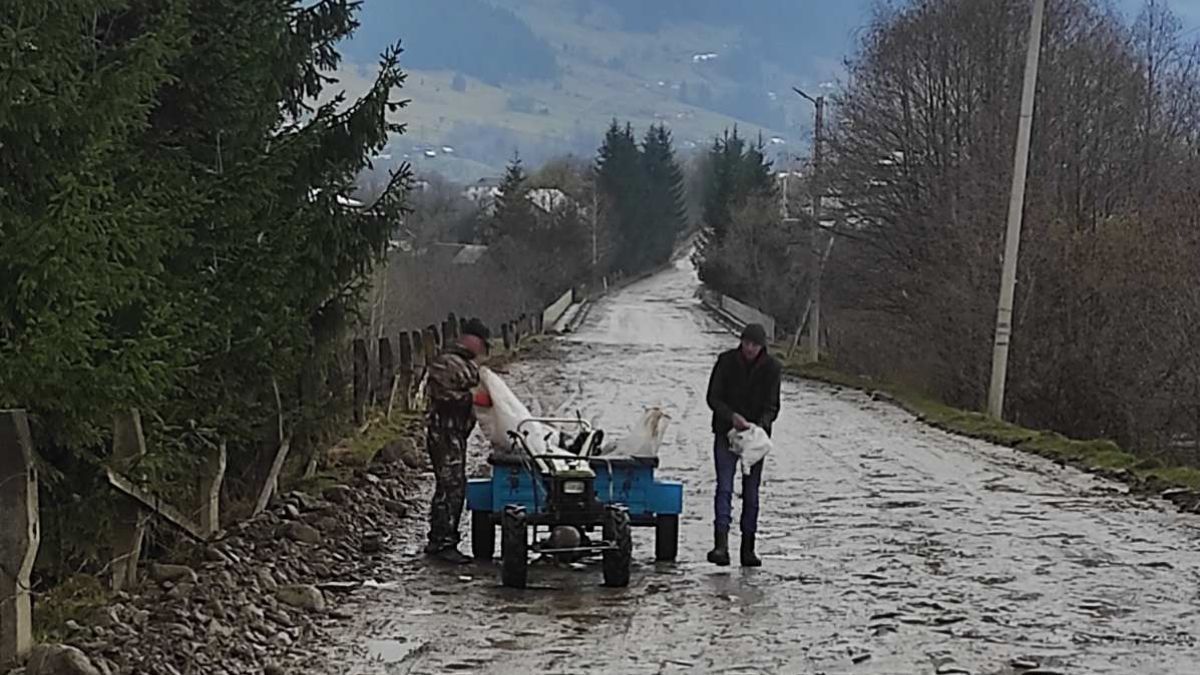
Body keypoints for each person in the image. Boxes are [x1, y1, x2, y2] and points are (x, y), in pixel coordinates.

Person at [705, 323, 782, 567]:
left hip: (755, 439)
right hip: (726, 433)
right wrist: (731, 417)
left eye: (754, 345)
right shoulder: (726, 361)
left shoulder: (772, 368)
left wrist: (758, 426)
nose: (749, 349)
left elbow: (773, 405)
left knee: (751, 492)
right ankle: (721, 545)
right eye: (747, 343)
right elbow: (713, 397)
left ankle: (748, 548)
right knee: (724, 487)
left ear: (762, 347)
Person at [423, 318, 492, 564]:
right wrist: (471, 399)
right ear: (472, 340)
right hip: (444, 433)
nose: (482, 349)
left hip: (454, 434)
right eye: (481, 343)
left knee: (452, 485)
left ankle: (442, 539)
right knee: (450, 486)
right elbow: (442, 395)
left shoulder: (464, 364)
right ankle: (442, 542)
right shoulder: (447, 363)